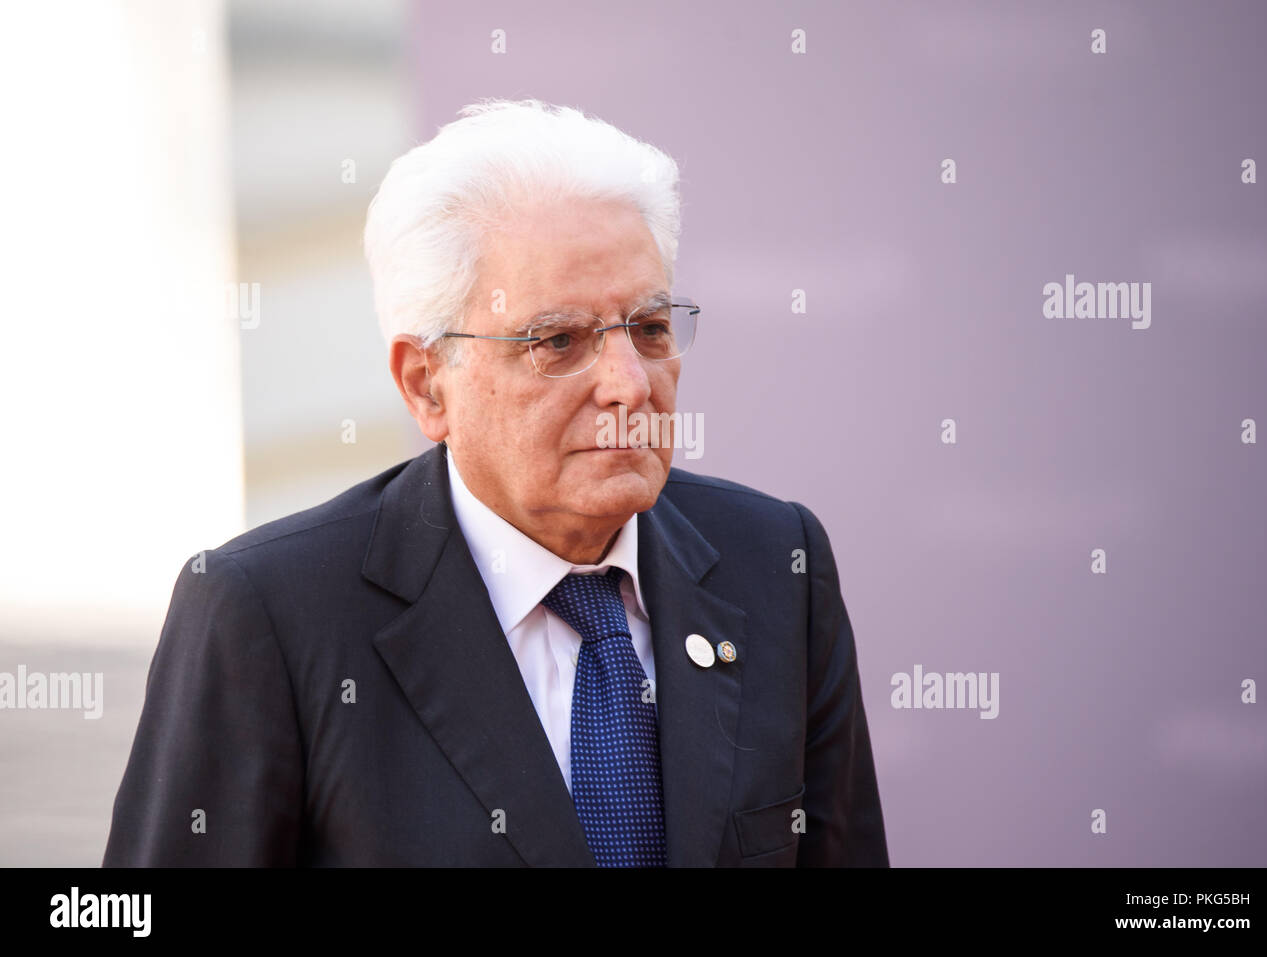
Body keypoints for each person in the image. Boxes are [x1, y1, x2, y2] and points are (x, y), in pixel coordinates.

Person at [102, 98, 888, 867]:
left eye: (649, 328)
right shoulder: (270, 613)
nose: (628, 384)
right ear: (427, 386)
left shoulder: (778, 565)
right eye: (559, 339)